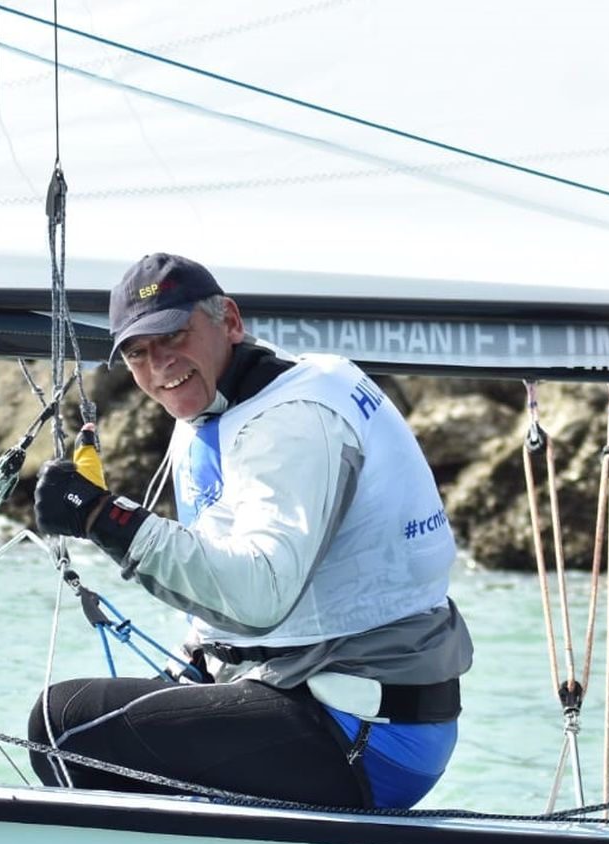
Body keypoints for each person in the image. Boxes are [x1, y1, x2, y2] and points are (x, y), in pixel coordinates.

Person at [29, 253, 472, 809]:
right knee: (103, 724)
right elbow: (230, 571)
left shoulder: (294, 420)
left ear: (230, 322)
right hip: (327, 698)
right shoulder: (226, 405)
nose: (160, 363)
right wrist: (193, 662)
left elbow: (259, 594)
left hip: (367, 734)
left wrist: (106, 519)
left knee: (63, 726)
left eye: (174, 335)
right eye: (138, 352)